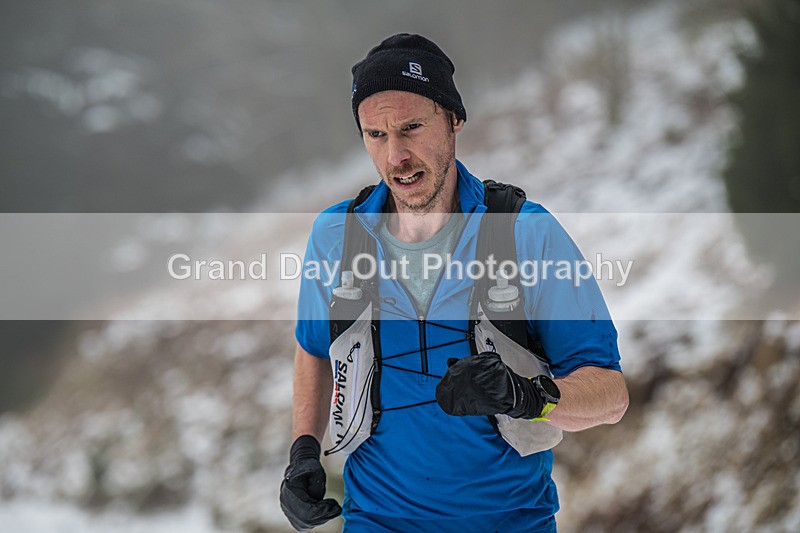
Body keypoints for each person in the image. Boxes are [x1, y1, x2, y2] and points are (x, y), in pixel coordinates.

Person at [280, 33, 629, 532]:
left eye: (411, 127)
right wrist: (304, 452)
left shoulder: (523, 234)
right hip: (377, 522)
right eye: (375, 135)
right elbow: (313, 348)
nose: (395, 155)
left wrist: (527, 396)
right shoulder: (337, 236)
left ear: (453, 120)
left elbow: (611, 395)